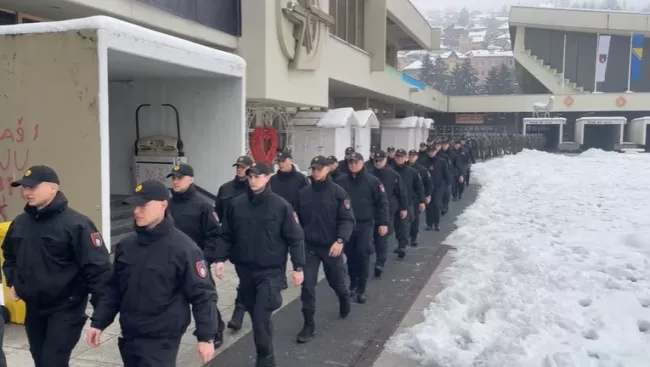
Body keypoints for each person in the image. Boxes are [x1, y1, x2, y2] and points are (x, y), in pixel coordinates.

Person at [88, 180, 218, 367]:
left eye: (144, 205)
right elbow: (113, 289)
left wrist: (206, 336)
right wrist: (98, 322)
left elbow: (203, 295)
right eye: (135, 205)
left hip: (162, 338)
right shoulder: (127, 245)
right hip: (130, 333)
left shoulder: (184, 249)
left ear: (164, 205)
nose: (136, 211)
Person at [2, 165, 111, 367]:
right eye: (24, 187)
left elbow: (98, 272)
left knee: (53, 362)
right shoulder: (20, 223)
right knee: (40, 359)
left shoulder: (77, 224)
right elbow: (9, 256)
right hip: (34, 308)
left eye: (33, 187)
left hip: (66, 308)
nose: (26, 192)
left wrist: (100, 317)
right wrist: (14, 281)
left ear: (53, 188)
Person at [213, 161, 306, 367]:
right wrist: (219, 259)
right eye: (250, 176)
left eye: (257, 176)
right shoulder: (236, 204)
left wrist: (299, 267)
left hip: (271, 271)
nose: (253, 180)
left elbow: (295, 238)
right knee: (255, 316)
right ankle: (267, 355)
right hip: (245, 270)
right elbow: (226, 234)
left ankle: (264, 359)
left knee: (262, 314)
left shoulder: (281, 206)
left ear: (267, 178)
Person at [294, 156, 355, 343]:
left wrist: (340, 241)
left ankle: (344, 298)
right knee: (308, 286)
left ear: (328, 169)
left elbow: (347, 220)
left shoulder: (338, 193)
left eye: (319, 168)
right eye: (313, 168)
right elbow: (295, 220)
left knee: (337, 282)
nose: (316, 172)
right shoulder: (303, 193)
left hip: (331, 247)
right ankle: (308, 324)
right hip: (310, 247)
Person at [167, 163, 225, 349]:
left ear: (190, 179)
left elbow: (214, 235)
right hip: (171, 262)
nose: (175, 181)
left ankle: (215, 329)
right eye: (173, 178)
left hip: (196, 263)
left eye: (179, 178)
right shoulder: (167, 205)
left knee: (204, 299)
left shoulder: (203, 206)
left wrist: (206, 259)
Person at [335, 153, 389, 303]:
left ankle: (362, 288)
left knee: (363, 254)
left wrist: (383, 223)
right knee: (351, 256)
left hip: (365, 224)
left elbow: (382, 203)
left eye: (356, 162)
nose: (353, 165)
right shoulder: (340, 182)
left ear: (362, 163)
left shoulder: (373, 181)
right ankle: (353, 283)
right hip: (347, 225)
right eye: (351, 162)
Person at [215, 155, 252, 331]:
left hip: (253, 241)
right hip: (233, 241)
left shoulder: (255, 189)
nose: (240, 169)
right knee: (245, 279)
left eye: (243, 167)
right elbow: (218, 217)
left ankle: (239, 312)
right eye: (238, 166)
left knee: (247, 281)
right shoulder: (225, 189)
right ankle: (241, 310)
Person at [270, 151, 310, 289]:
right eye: (278, 161)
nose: (280, 164)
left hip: (296, 220)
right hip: (277, 220)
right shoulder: (273, 180)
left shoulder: (301, 179)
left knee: (296, 247)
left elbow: (307, 199)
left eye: (282, 160)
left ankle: (299, 270)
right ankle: (281, 278)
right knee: (279, 250)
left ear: (290, 160)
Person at [368, 150, 408, 276]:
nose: (378, 163)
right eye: (376, 160)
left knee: (382, 238)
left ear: (385, 160)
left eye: (380, 160)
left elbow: (401, 192)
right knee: (367, 238)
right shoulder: (368, 174)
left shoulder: (393, 175)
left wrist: (403, 208)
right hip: (369, 211)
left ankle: (380, 262)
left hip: (387, 211)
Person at [390, 149, 425, 258]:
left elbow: (419, 187)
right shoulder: (389, 171)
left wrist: (422, 201)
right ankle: (400, 241)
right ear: (395, 158)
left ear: (406, 158)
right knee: (395, 226)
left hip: (407, 202)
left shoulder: (413, 172)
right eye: (398, 156)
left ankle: (402, 245)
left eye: (402, 156)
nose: (400, 158)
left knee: (404, 224)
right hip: (393, 203)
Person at [421, 145, 452, 231]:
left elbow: (446, 172)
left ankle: (437, 223)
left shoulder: (441, 161)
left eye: (433, 151)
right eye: (430, 152)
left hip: (439, 186)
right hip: (427, 186)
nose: (431, 153)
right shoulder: (423, 161)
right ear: (428, 152)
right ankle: (429, 224)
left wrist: (448, 183)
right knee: (429, 205)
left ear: (436, 152)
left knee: (437, 204)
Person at [407, 149, 432, 247]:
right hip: (405, 198)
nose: (411, 157)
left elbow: (428, 184)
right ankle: (405, 237)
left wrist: (427, 196)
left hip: (416, 198)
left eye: (413, 156)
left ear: (417, 157)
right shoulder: (403, 168)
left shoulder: (422, 170)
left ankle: (413, 237)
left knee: (415, 218)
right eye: (410, 155)